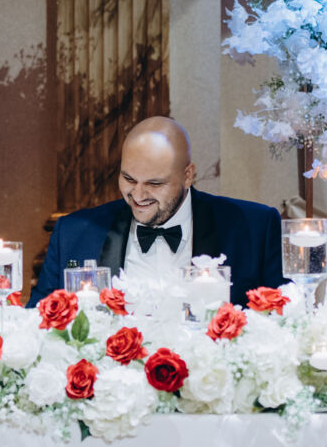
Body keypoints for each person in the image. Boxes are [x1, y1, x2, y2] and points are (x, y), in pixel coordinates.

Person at [29, 116, 283, 306]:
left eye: (154, 183)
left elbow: (284, 324)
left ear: (188, 175)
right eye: (129, 179)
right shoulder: (74, 234)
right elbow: (38, 325)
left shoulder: (254, 228)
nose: (138, 196)